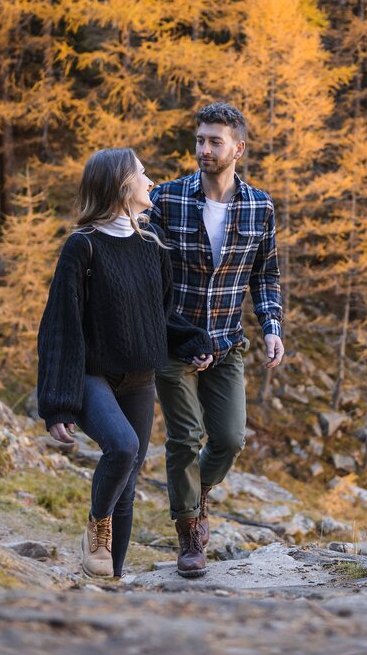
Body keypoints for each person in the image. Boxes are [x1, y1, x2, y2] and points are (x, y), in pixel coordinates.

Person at [36, 147, 213, 579]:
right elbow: (59, 326)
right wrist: (57, 404)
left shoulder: (152, 245)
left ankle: (110, 580)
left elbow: (160, 315)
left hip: (140, 378)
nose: (150, 180)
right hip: (92, 375)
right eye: (142, 173)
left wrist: (191, 340)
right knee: (124, 447)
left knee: (129, 486)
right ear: (121, 185)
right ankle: (97, 525)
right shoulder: (82, 247)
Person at [150, 102, 285, 578]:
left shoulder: (260, 207)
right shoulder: (167, 199)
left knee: (228, 439)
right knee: (185, 437)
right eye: (200, 140)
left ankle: (196, 493)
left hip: (228, 340)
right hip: (174, 341)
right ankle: (189, 534)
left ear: (238, 149)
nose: (204, 150)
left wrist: (272, 327)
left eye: (215, 142)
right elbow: (150, 277)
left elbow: (265, 276)